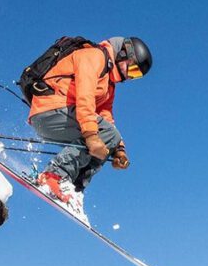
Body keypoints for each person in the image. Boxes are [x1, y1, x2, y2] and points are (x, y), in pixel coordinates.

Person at [27, 36, 152, 218]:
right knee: (103, 136)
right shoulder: (94, 56)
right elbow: (84, 97)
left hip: (64, 116)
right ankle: (54, 176)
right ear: (124, 53)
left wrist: (119, 150)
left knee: (107, 141)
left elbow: (106, 117)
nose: (130, 75)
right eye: (132, 68)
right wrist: (91, 136)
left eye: (136, 75)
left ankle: (72, 189)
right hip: (50, 111)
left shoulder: (109, 82)